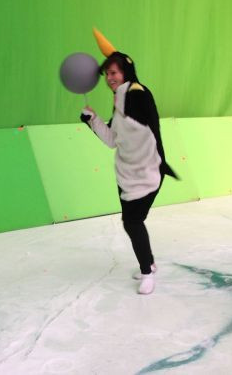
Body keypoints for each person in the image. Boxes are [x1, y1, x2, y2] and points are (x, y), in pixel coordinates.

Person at [80, 28, 177, 295]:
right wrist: (92, 120)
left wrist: (123, 86)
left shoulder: (136, 93)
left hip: (148, 173)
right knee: (133, 222)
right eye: (107, 74)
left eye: (114, 72)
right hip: (127, 175)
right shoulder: (121, 105)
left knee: (132, 223)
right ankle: (149, 263)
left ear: (126, 72)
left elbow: (136, 99)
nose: (109, 78)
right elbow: (112, 140)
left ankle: (147, 272)